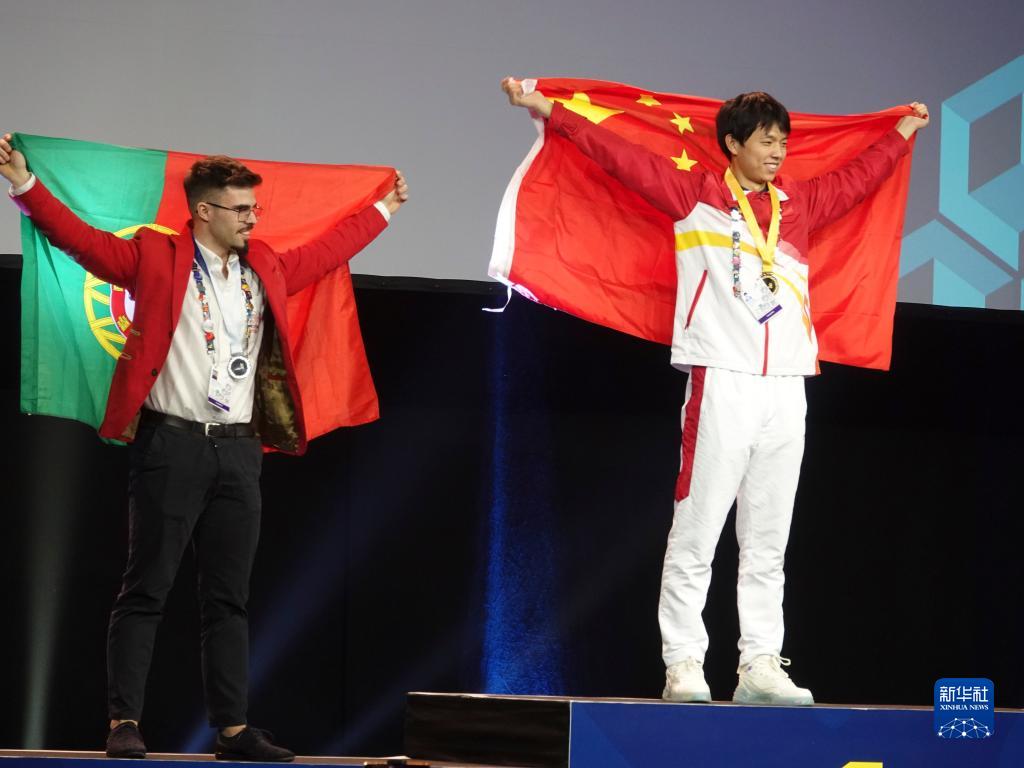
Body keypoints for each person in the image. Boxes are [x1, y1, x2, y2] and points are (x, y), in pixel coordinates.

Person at [501, 78, 928, 705]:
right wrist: (550, 110)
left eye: (783, 142)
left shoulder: (802, 204)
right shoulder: (695, 194)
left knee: (768, 541)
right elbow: (619, 155)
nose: (777, 152)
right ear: (732, 143)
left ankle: (760, 665)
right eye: (766, 141)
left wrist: (901, 133)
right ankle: (683, 664)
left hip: (787, 387)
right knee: (697, 531)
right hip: (721, 380)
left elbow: (860, 178)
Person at [0, 134, 408, 759]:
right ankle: (124, 722)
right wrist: (25, 186)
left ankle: (234, 729)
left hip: (240, 453)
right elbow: (82, 241)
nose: (252, 219)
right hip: (172, 444)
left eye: (254, 208)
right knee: (146, 589)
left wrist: (381, 210)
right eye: (240, 209)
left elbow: (327, 252)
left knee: (228, 599)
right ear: (204, 211)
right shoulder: (156, 256)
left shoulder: (263, 265)